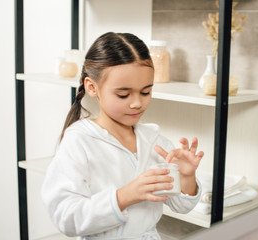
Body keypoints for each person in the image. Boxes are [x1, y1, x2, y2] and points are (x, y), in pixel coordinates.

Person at [41, 32, 204, 240]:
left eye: (145, 92)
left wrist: (187, 177)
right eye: (123, 94)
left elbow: (181, 206)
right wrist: (124, 196)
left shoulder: (154, 141)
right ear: (92, 87)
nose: (137, 103)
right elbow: (66, 217)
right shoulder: (79, 141)